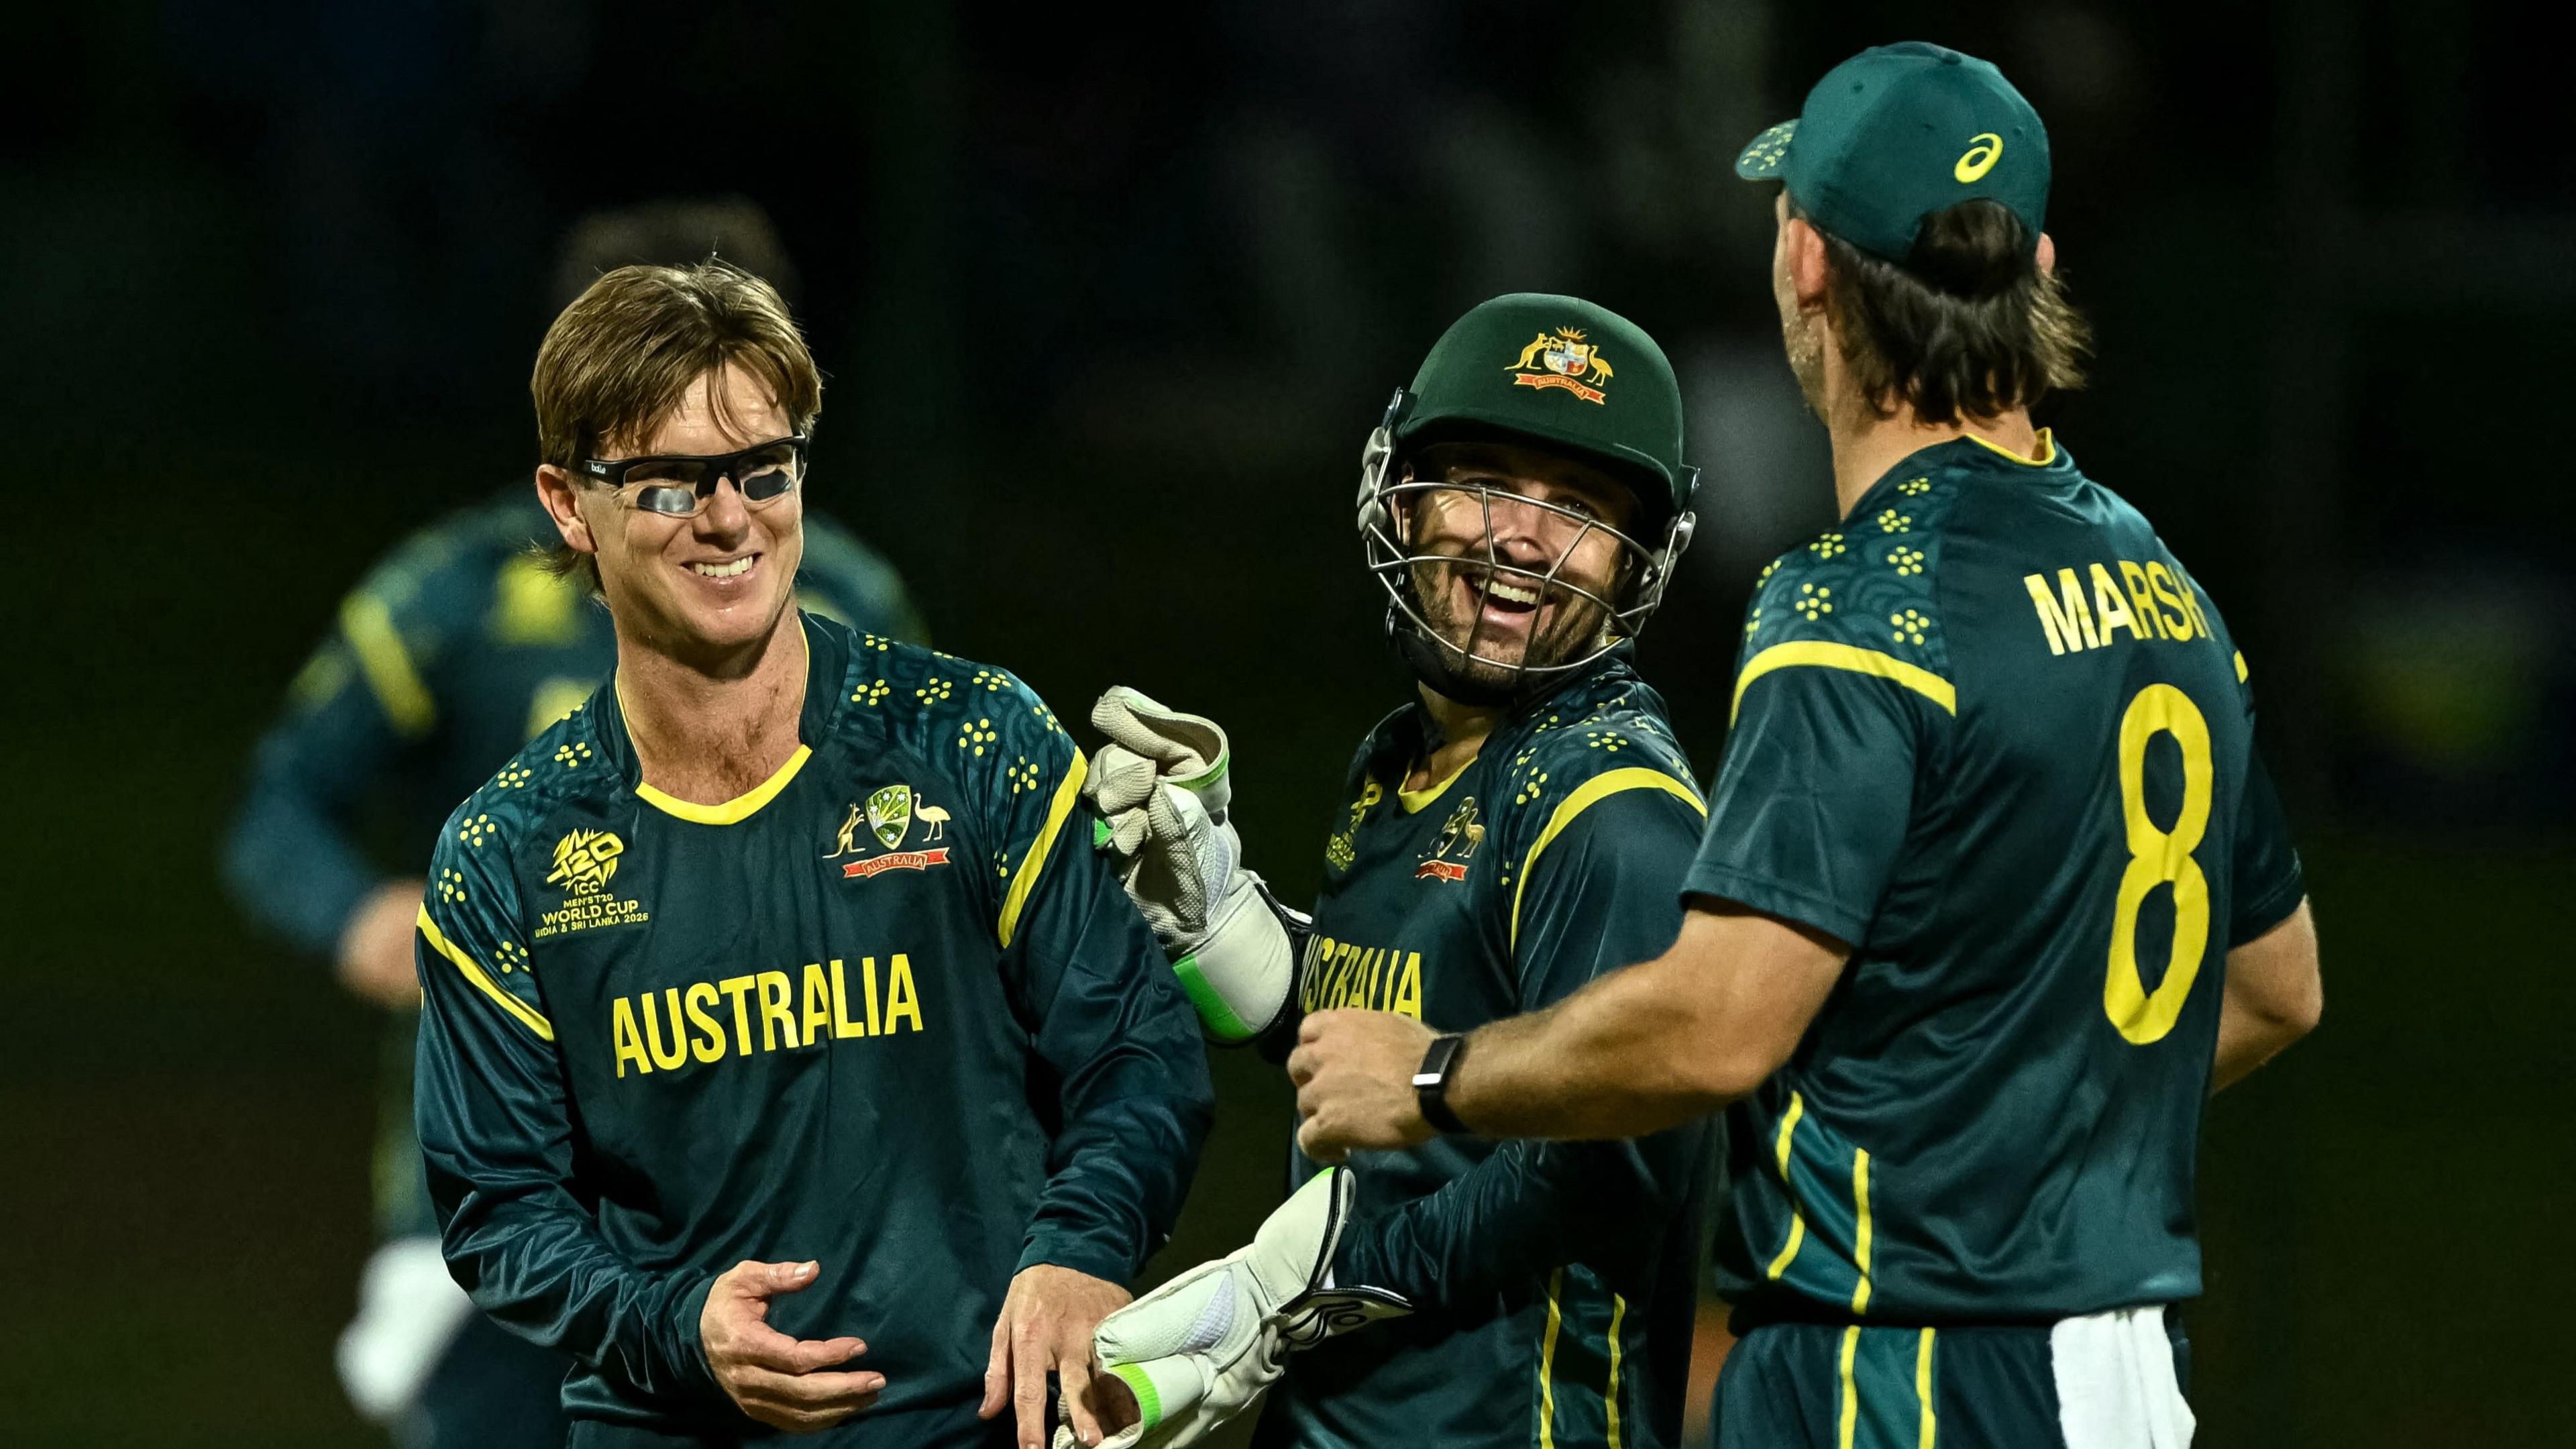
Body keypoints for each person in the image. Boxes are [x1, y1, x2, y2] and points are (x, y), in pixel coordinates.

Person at [1285, 43, 2322, 1448]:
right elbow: (2274, 989)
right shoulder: (2166, 591)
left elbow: (1720, 1022)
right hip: (2123, 1375)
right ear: (2039, 268)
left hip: (1901, 1378)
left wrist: (1430, 1077)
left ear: (1810, 263)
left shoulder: (1854, 609)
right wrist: (2009, 1128)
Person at [409, 259, 1214, 1448]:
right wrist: (675, 1325)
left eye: (762, 470)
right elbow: (500, 1209)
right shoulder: (507, 853)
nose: (730, 518)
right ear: (567, 504)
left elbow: (1136, 1049)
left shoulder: (972, 742)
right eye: (670, 482)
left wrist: (1083, 1253)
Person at [222, 200, 921, 1448]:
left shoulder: (851, 600)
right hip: (509, 1171)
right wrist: (359, 915)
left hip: (768, 1171)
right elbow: (279, 804)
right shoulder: (457, 594)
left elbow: (913, 856)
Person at [1071, 295, 1717, 1448]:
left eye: (1576, 509)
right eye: (1482, 481)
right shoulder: (1409, 755)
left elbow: (1615, 1165)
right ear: (1398, 495)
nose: (1520, 539)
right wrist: (1223, 928)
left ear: (1635, 564)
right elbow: (1406, 1040)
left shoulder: (1612, 816)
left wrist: (1310, 1285)